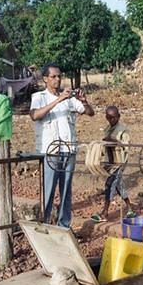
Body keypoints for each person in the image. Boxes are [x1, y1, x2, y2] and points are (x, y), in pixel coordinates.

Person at [30, 64, 94, 227]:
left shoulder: (69, 98)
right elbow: (35, 115)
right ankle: (45, 224)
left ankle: (64, 225)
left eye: (59, 76)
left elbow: (90, 112)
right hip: (50, 150)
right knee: (49, 189)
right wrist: (59, 100)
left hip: (68, 148)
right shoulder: (39, 97)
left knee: (66, 189)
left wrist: (84, 101)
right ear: (45, 79)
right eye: (54, 76)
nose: (57, 79)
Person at [91, 106, 136, 222]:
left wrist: (114, 141)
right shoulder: (107, 129)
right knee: (119, 185)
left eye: (113, 118)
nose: (111, 120)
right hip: (111, 162)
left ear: (118, 117)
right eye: (108, 117)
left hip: (120, 162)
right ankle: (130, 209)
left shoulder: (122, 130)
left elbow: (126, 147)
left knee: (110, 184)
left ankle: (104, 213)